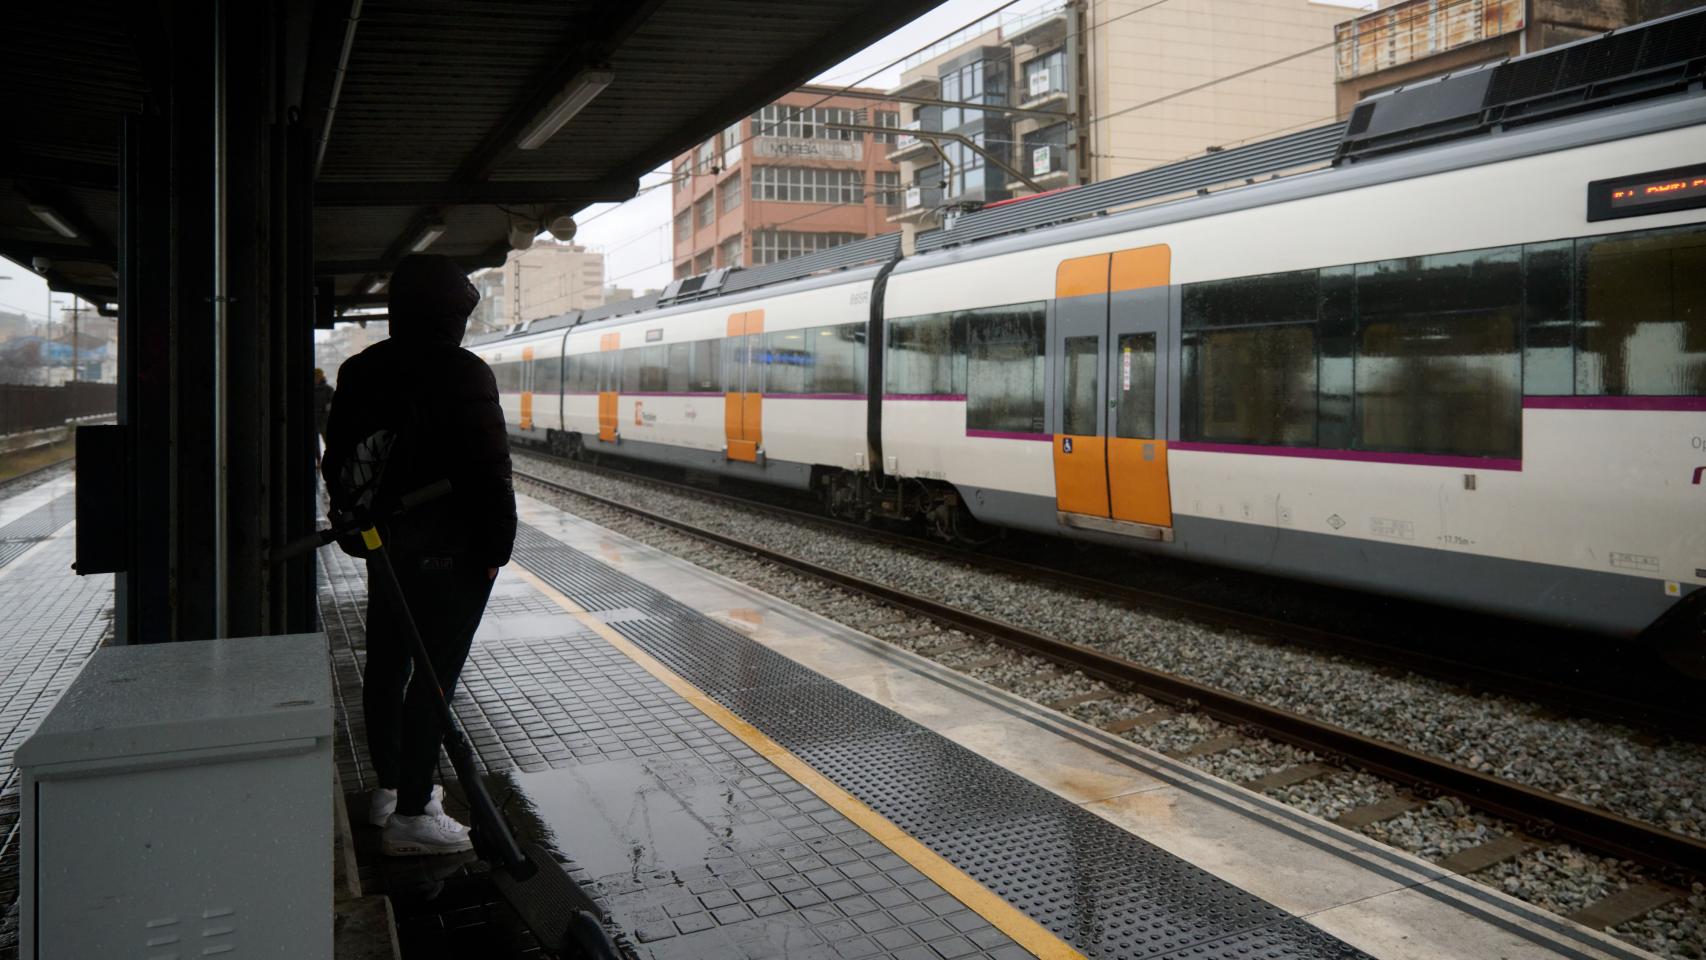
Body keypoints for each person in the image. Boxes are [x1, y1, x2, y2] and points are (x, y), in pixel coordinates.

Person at [321, 254, 517, 857]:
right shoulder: (463, 372)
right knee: (435, 681)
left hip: (387, 548)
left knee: (387, 665)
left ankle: (389, 789)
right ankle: (414, 813)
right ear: (449, 315)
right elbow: (489, 469)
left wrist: (362, 528)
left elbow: (336, 457)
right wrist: (496, 549)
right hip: (452, 551)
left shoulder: (360, 369)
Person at [312, 368, 335, 465]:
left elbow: (332, 404)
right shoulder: (311, 389)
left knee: (328, 442)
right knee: (315, 443)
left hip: (325, 421)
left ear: (321, 377)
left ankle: (329, 461)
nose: (316, 378)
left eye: (317, 376)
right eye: (315, 377)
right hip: (316, 420)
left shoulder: (328, 389)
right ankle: (319, 461)